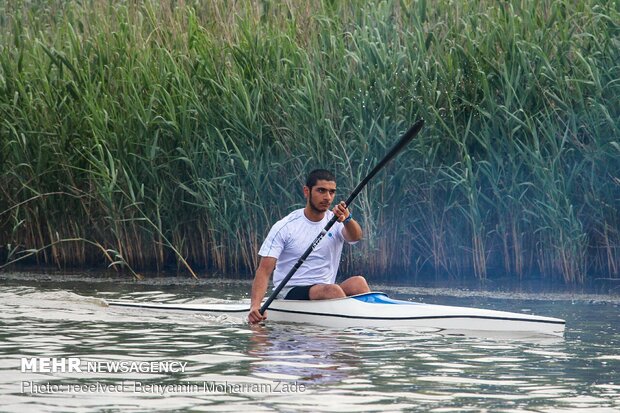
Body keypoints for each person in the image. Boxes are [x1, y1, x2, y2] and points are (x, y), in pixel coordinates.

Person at [248, 169, 370, 324]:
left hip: (326, 291)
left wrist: (347, 219)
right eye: (321, 191)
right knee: (332, 290)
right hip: (289, 291)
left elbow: (356, 237)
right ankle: (356, 324)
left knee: (358, 282)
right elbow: (264, 271)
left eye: (332, 192)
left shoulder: (336, 221)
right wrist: (255, 306)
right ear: (307, 191)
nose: (327, 197)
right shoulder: (286, 226)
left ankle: (370, 320)